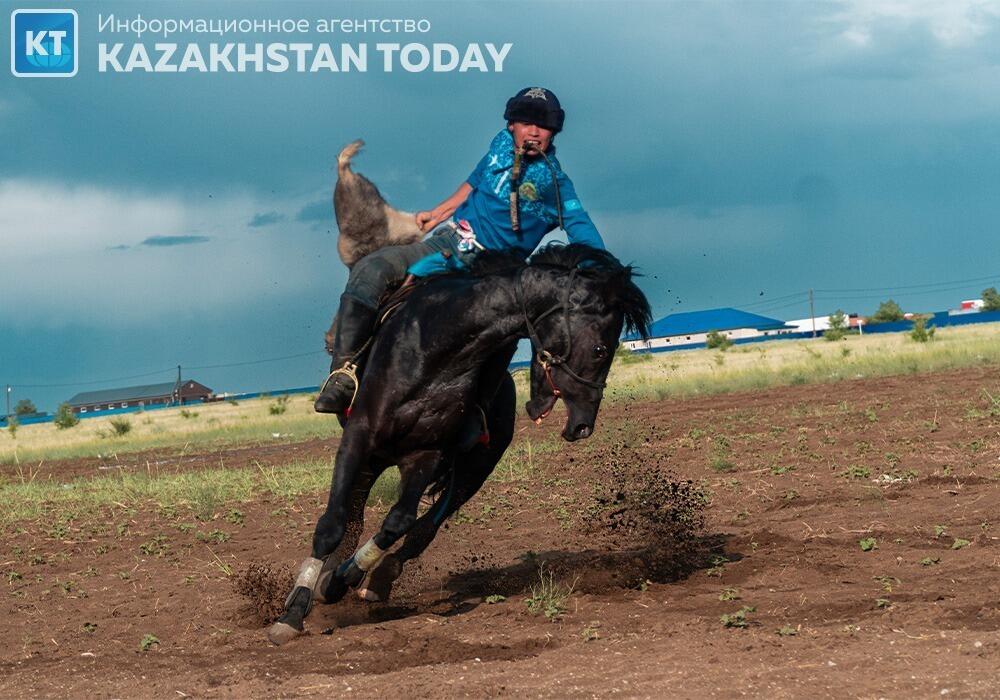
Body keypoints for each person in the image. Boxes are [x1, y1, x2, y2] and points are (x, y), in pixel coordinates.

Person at [315, 86, 607, 415]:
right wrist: (439, 213)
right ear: (512, 125)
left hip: (494, 273)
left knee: (505, 331)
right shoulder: (500, 146)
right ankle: (344, 375)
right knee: (372, 267)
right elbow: (475, 181)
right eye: (526, 123)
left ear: (553, 132)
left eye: (544, 126)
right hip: (448, 243)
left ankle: (479, 412)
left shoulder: (555, 185)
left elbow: (580, 225)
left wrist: (604, 270)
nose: (534, 132)